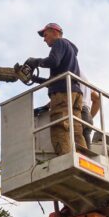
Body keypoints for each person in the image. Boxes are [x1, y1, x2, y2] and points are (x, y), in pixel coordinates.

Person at [25, 23, 87, 155]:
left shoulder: (59, 43)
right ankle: (83, 157)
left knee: (60, 125)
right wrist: (36, 80)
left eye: (45, 35)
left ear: (54, 32)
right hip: (75, 91)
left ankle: (65, 157)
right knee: (76, 128)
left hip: (63, 92)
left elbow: (53, 61)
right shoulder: (69, 50)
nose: (44, 39)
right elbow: (55, 80)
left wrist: (35, 61)